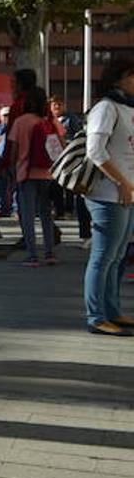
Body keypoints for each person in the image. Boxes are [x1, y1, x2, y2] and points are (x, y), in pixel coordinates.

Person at [82, 58, 134, 336]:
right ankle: (96, 316)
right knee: (103, 256)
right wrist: (121, 182)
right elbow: (95, 150)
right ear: (118, 80)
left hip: (126, 193)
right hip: (107, 194)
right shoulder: (106, 107)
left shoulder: (127, 108)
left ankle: (112, 311)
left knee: (117, 256)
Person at [8, 85, 59, 266]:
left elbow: (13, 149)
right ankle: (49, 252)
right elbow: (61, 144)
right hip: (48, 174)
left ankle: (32, 254)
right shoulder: (50, 122)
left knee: (27, 215)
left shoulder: (20, 122)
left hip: (26, 173)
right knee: (46, 214)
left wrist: (12, 168)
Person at [49, 95, 91, 240]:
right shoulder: (49, 121)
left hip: (72, 156)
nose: (57, 107)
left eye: (59, 104)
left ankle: (67, 210)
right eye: (54, 104)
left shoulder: (70, 119)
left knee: (73, 191)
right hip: (62, 158)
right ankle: (62, 211)